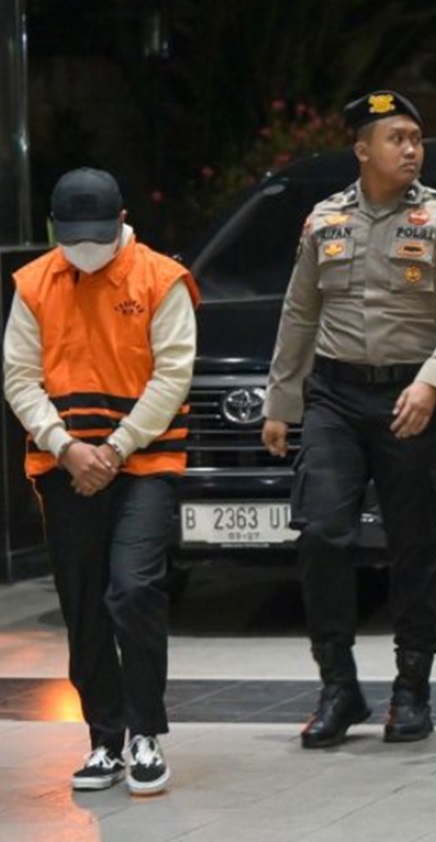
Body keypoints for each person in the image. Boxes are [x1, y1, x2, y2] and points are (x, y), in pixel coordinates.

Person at [262, 90, 436, 749]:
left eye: (417, 138)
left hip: (413, 399)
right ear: (363, 150)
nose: (411, 149)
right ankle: (339, 686)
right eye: (397, 139)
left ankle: (411, 689)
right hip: (334, 395)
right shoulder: (323, 220)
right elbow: (300, 311)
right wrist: (282, 402)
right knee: (323, 532)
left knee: (415, 549)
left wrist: (432, 382)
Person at [3, 168, 198, 795]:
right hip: (65, 470)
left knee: (133, 589)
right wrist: (65, 448)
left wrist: (112, 448)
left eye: (98, 237)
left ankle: (145, 734)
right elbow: (19, 377)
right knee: (84, 606)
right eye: (73, 238)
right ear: (55, 230)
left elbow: (173, 376)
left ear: (122, 222)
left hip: (143, 463)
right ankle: (103, 740)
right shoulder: (34, 285)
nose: (86, 251)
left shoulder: (160, 279)